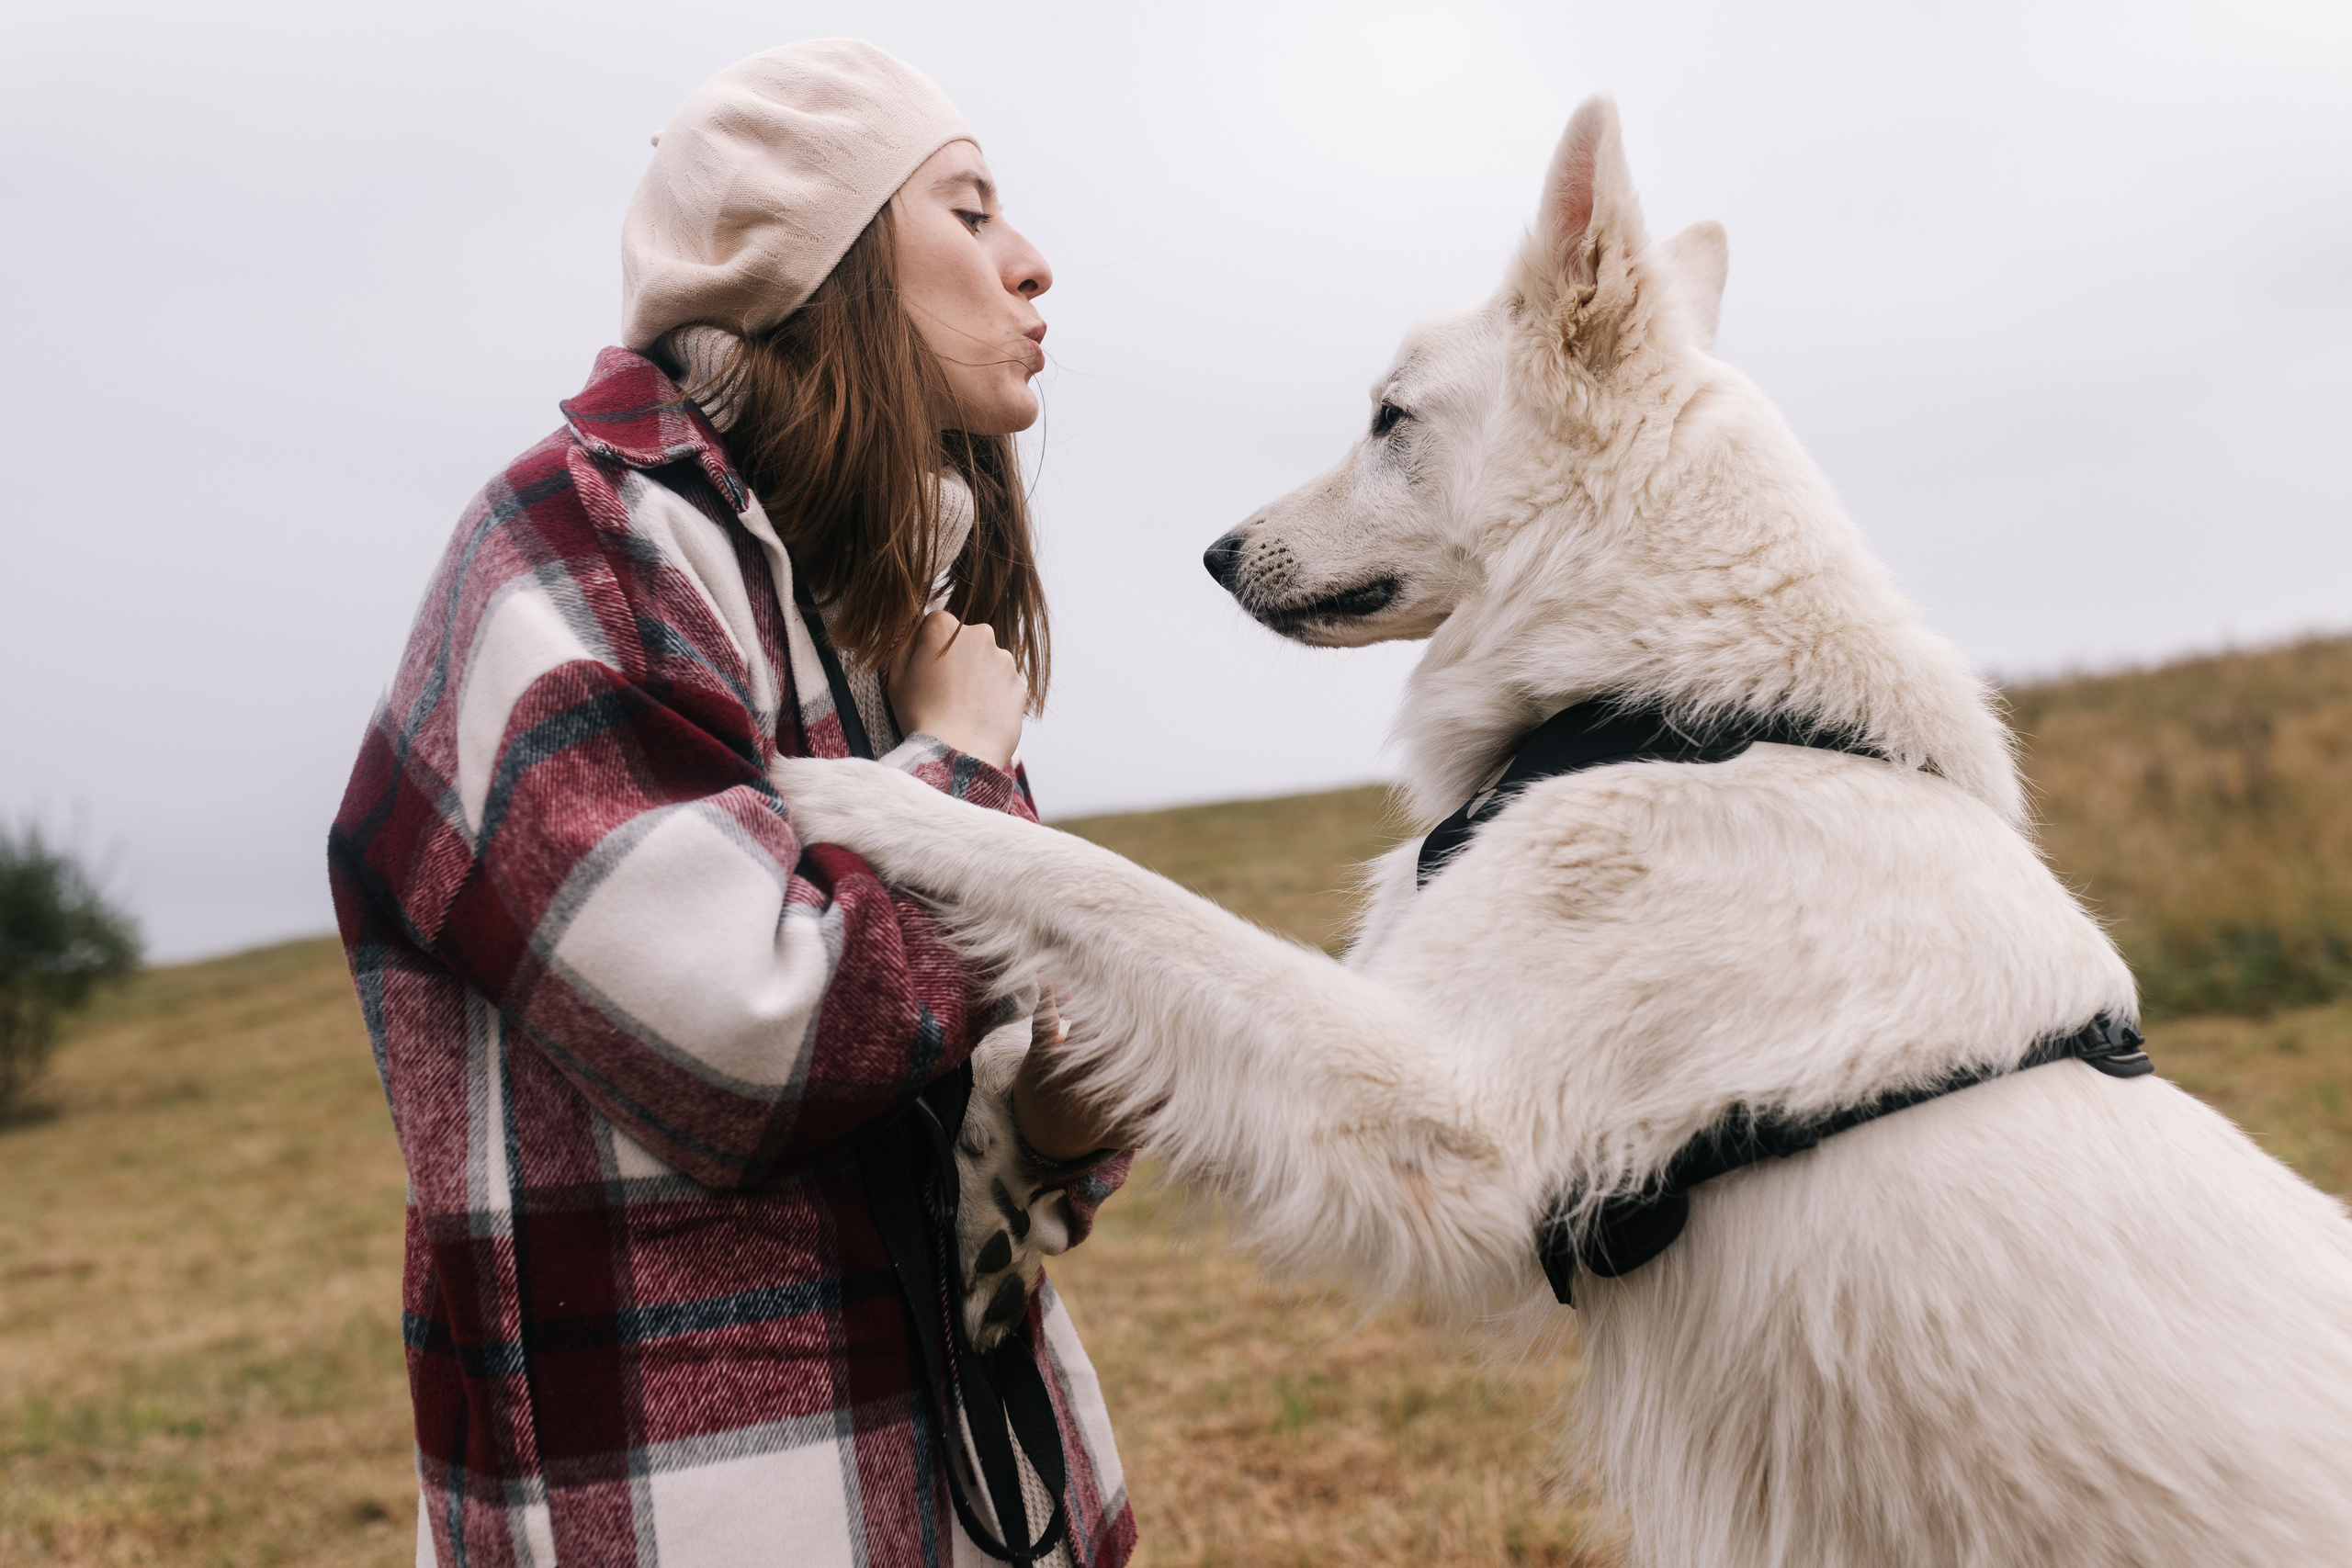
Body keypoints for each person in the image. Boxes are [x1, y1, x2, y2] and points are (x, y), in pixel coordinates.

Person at [328, 39, 1135, 1568]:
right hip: (707, 1512)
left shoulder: (871, 604)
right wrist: (959, 781)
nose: (1033, 267)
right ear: (811, 264)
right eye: (969, 215)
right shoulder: (573, 550)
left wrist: (1045, 1117)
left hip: (958, 1498)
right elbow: (754, 1045)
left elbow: (940, 1148)